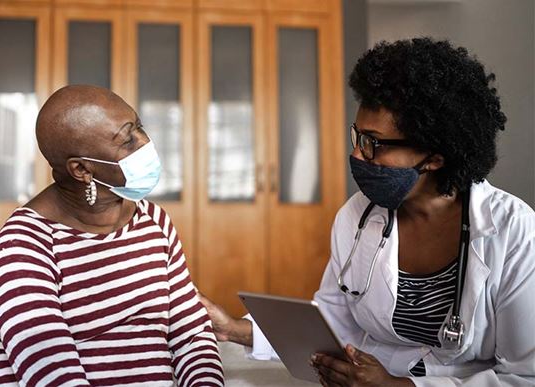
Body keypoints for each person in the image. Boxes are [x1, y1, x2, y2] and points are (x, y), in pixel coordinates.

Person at [200, 37, 535, 386]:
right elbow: (331, 323)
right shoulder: (356, 217)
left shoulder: (514, 232)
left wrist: (398, 386)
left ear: (435, 156)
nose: (359, 156)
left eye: (373, 143)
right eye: (358, 137)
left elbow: (526, 376)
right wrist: (236, 330)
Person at [0, 85, 224, 386]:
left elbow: (192, 335)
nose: (145, 142)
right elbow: (51, 371)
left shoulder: (155, 221)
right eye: (127, 140)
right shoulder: (23, 244)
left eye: (139, 127)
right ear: (82, 169)